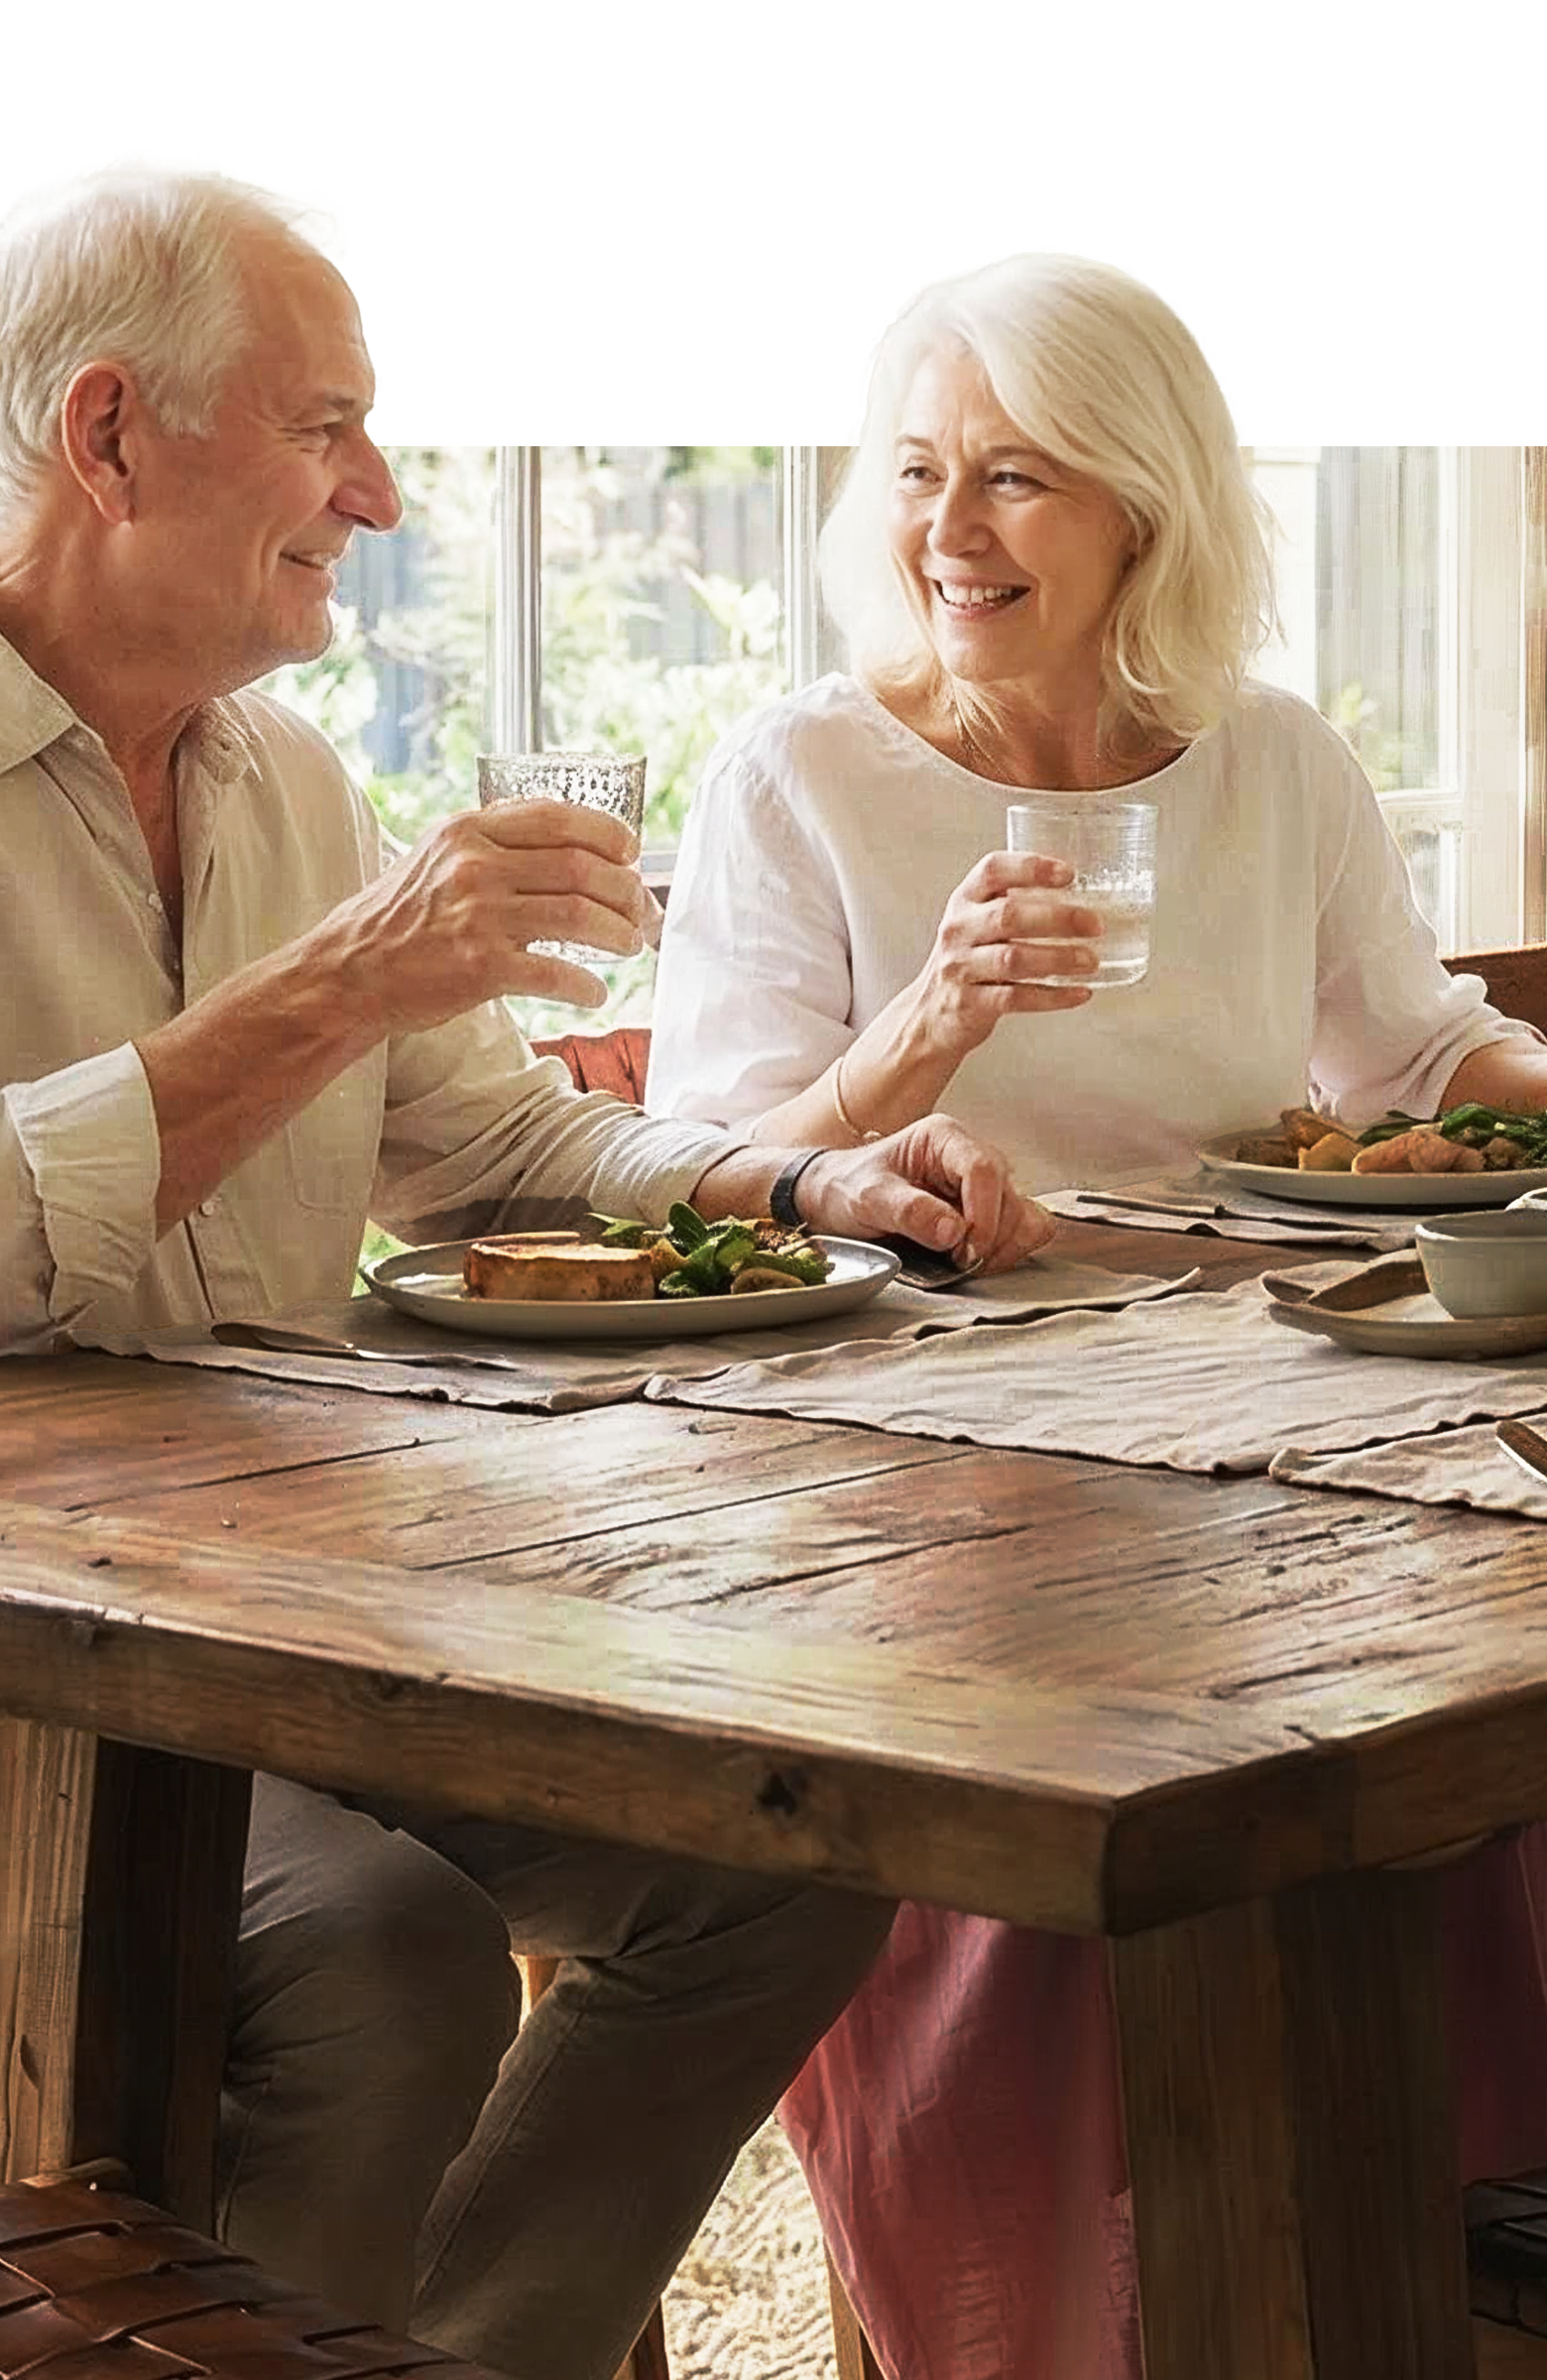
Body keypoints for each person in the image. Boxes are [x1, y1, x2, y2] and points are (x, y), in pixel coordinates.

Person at [0, 154, 1060, 2380]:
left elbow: (483, 1140)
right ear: (109, 435)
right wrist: (335, 982)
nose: (381, 495)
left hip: (230, 1616)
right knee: (366, 1950)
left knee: (769, 1860)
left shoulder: (279, 771)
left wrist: (795, 1191)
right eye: (326, 426)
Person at [646, 244, 1547, 2380]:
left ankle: (1426, 2288)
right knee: (1077, 1873)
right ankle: (1093, 2325)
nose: (948, 533)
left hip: (1287, 1426)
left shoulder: (1270, 764)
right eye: (920, 474)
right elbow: (688, 1179)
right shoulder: (804, 775)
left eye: (1018, 477)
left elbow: (1416, 1061)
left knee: (1470, 1772)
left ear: (1146, 500)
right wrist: (922, 1041)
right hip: (912, 1466)